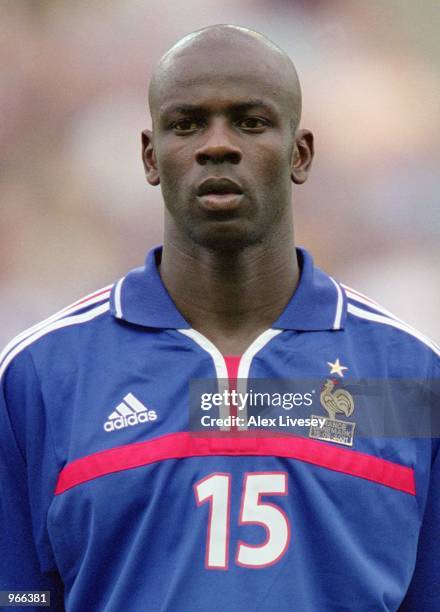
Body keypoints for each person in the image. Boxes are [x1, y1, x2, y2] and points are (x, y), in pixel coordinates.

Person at [0, 24, 438, 612]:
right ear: (151, 157)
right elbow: (20, 594)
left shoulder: (406, 378)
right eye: (186, 124)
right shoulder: (41, 376)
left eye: (251, 122)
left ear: (300, 153)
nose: (217, 145)